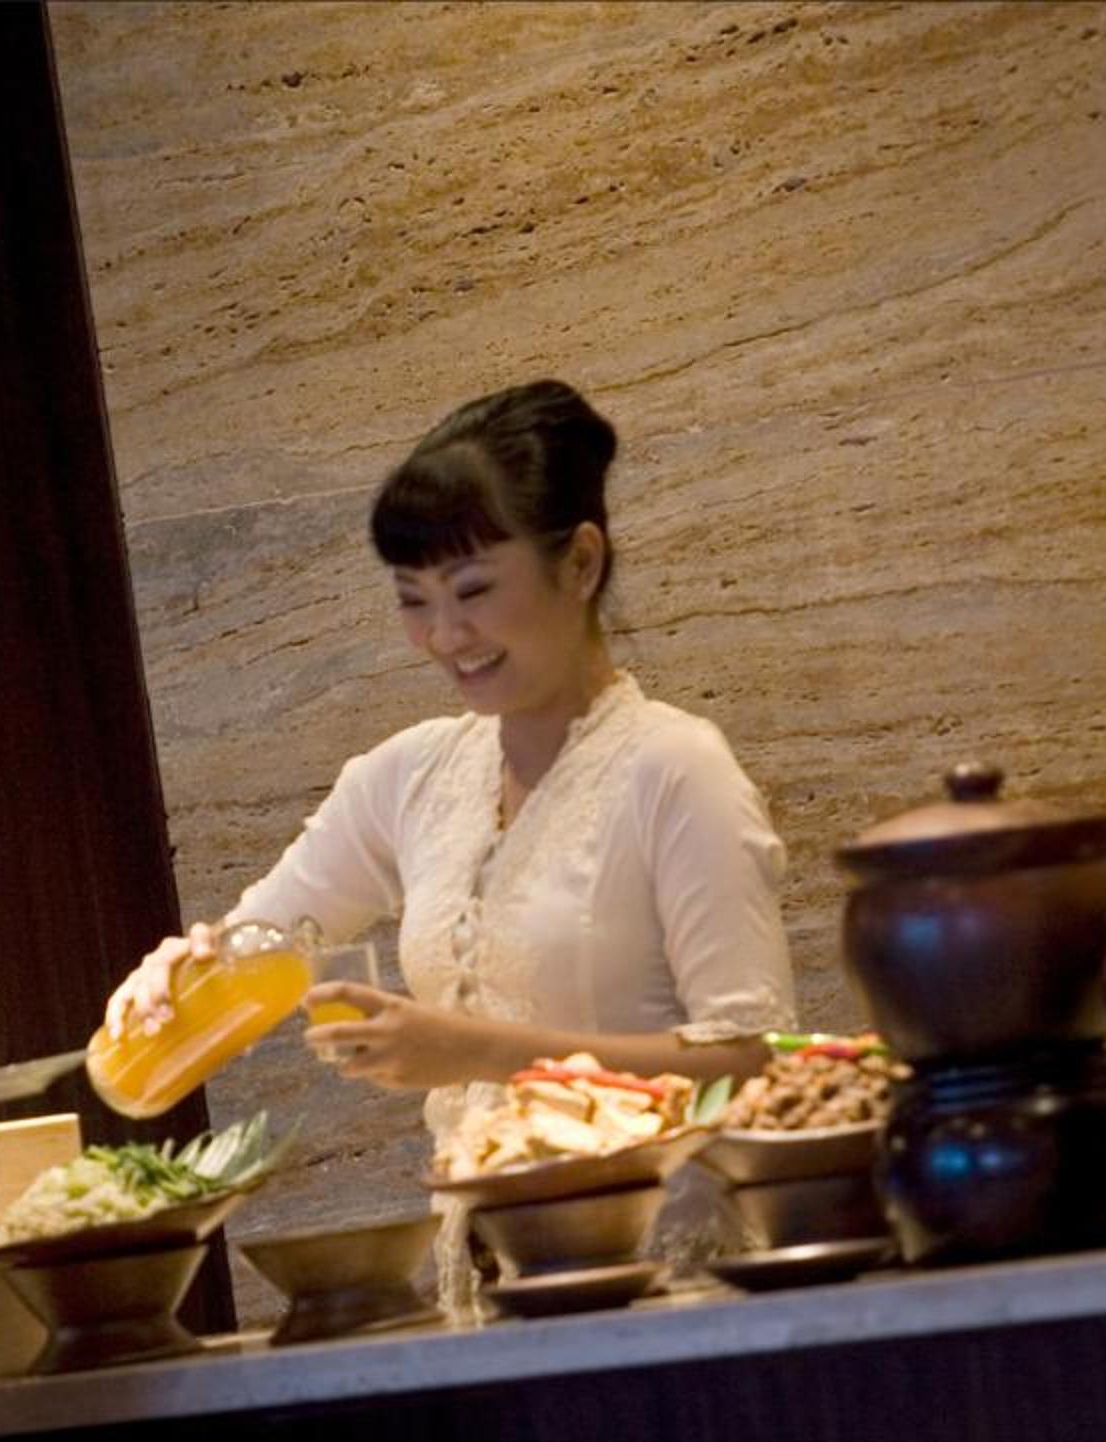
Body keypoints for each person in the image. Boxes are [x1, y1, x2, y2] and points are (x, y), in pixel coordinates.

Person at [105, 378, 794, 1171]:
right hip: (486, 1245)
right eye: (414, 601)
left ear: (579, 563)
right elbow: (266, 940)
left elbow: (755, 1065)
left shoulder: (675, 769)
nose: (444, 634)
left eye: (472, 591)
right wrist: (181, 974)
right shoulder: (408, 778)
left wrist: (480, 1051)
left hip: (664, 1240)